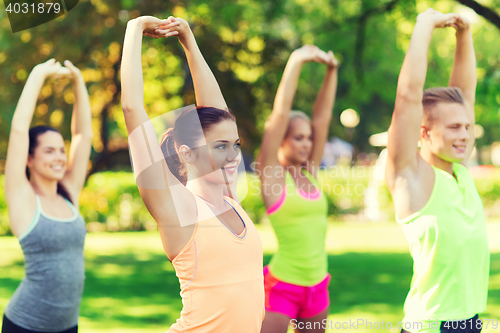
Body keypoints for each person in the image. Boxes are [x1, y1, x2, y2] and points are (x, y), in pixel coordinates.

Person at [120, 16, 264, 333]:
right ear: (187, 153)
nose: (233, 156)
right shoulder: (179, 209)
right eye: (220, 147)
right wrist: (136, 28)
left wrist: (188, 39)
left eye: (235, 145)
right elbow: (133, 110)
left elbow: (219, 114)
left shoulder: (230, 197)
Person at [385, 9, 489, 333]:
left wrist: (464, 33)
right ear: (423, 131)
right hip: (431, 325)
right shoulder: (410, 175)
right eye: (454, 127)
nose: (464, 134)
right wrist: (425, 24)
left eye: (468, 127)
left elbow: (464, 92)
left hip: (470, 321)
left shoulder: (460, 173)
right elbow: (407, 97)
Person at [2, 59, 92, 333]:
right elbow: (18, 131)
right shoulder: (23, 198)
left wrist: (79, 82)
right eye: (49, 151)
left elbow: (82, 135)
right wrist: (37, 75)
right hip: (25, 325)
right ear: (29, 159)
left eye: (61, 151)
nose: (59, 157)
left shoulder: (69, 193)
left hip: (67, 326)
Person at [257, 45, 339, 333]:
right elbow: (279, 116)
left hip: (318, 285)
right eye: (298, 138)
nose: (306, 143)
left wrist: (332, 71)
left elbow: (323, 118)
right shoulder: (270, 175)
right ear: (281, 141)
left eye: (309, 138)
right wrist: (296, 61)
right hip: (282, 287)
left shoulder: (310, 172)